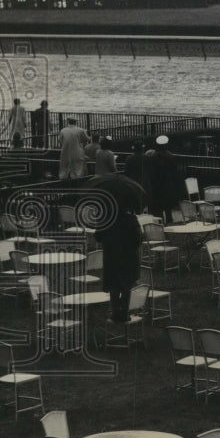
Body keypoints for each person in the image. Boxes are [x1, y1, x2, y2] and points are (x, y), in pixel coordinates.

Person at [91, 180, 144, 323]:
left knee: (114, 285)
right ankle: (125, 312)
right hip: (128, 256)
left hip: (111, 256)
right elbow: (138, 238)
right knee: (127, 284)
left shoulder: (106, 219)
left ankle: (115, 311)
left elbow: (98, 237)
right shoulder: (130, 220)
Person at [145, 135, 184, 222]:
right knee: (168, 206)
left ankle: (160, 222)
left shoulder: (152, 157)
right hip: (168, 184)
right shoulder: (170, 156)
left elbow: (150, 172)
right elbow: (175, 172)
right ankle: (169, 219)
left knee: (158, 206)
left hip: (156, 185)